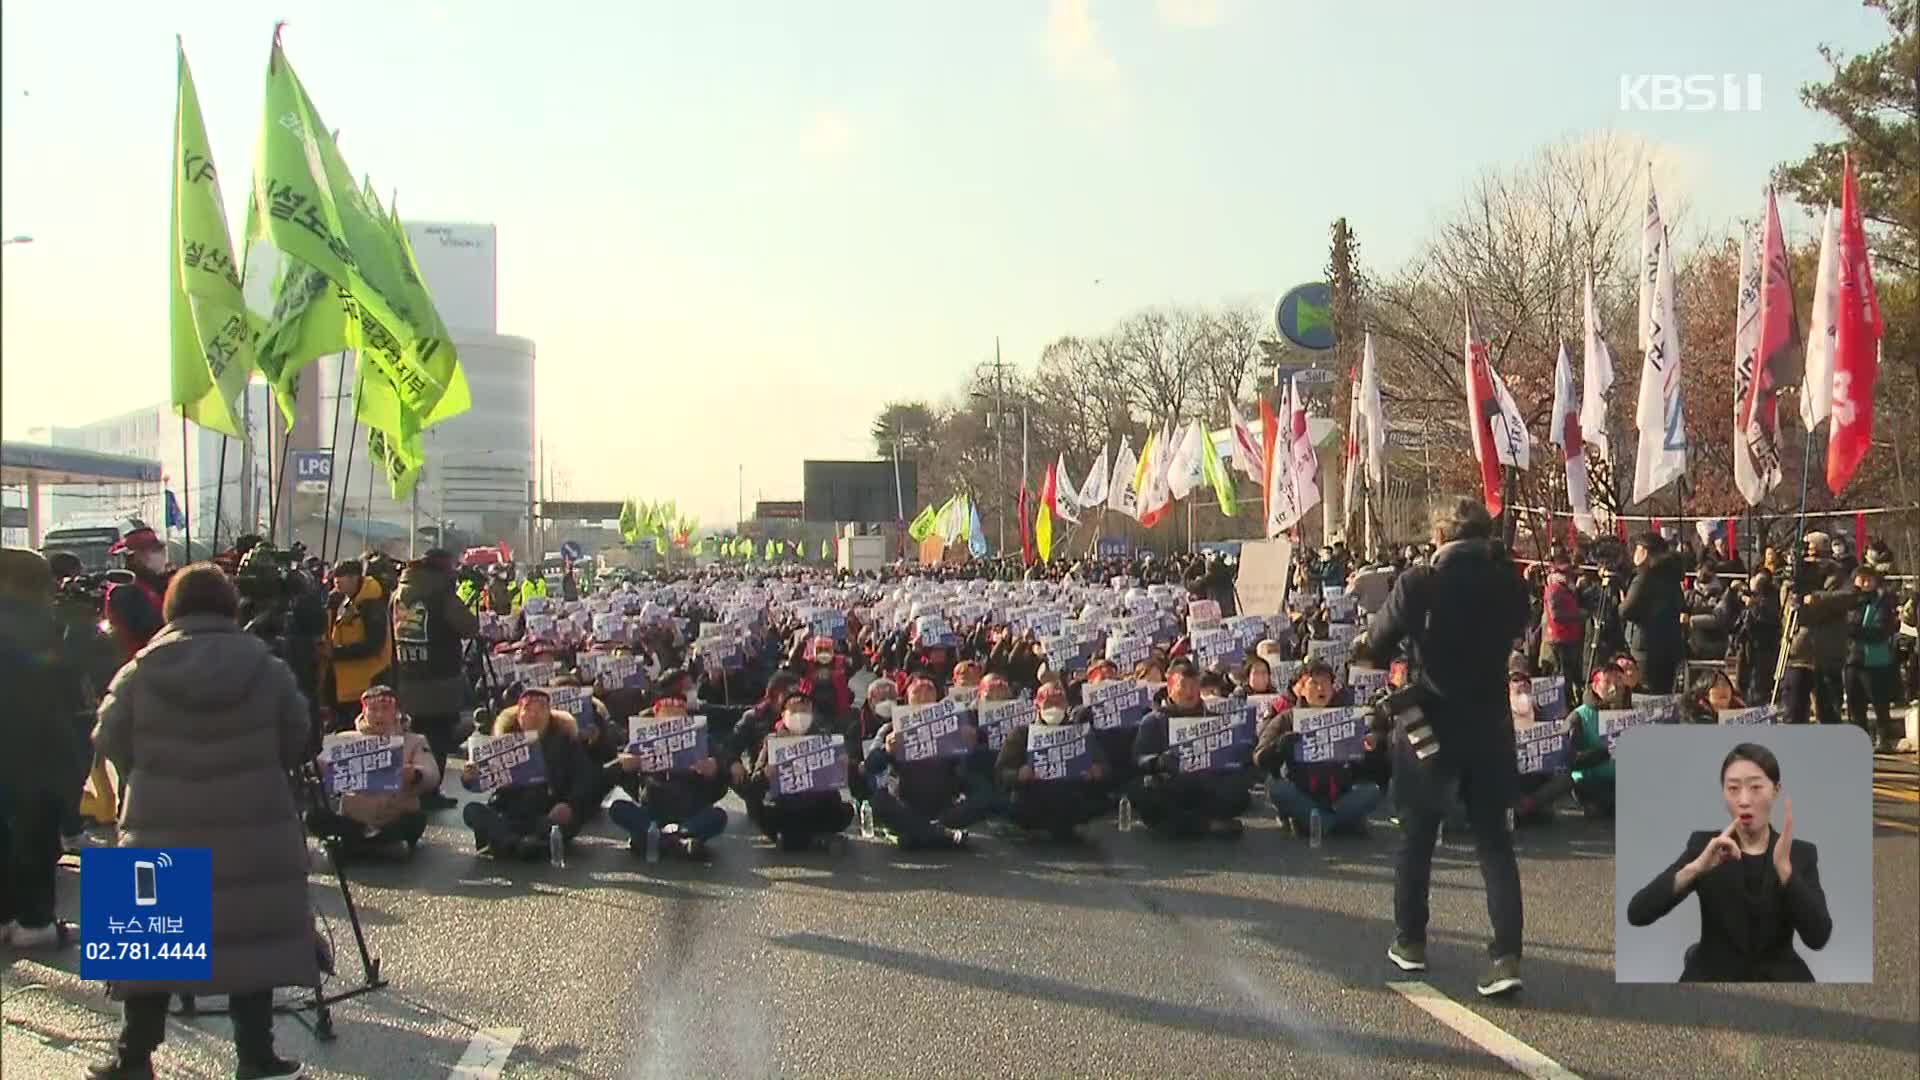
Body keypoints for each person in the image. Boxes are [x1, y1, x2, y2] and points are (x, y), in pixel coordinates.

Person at [88, 564, 314, 1080]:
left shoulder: (142, 668)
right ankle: (257, 1056)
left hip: (159, 820)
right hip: (254, 823)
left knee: (148, 944)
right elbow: (297, 735)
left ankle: (134, 1056)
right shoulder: (265, 665)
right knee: (250, 940)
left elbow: (107, 737)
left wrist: (146, 773)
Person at [1366, 496, 1531, 997]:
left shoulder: (1421, 582)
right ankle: (1506, 957)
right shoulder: (1509, 581)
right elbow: (1519, 627)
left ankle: (1410, 941)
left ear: (1439, 536)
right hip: (1490, 723)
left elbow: (1377, 641)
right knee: (1495, 845)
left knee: (1416, 838)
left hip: (1430, 724)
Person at [1626, 743, 1831, 981]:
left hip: (1781, 979)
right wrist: (1695, 869)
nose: (1744, 800)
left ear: (1775, 790)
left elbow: (1818, 937)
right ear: (1723, 793)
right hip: (1711, 978)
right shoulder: (1705, 846)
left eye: (1756, 787)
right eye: (1733, 789)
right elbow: (1637, 913)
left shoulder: (1800, 854)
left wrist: (1786, 873)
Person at [0, 548, 85, 950]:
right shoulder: (42, 626)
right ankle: (34, 922)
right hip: (34, 752)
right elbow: (67, 694)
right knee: (34, 836)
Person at [459, 687, 597, 860]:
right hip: (509, 813)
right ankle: (516, 843)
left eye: (541, 709)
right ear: (518, 714)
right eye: (528, 709)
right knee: (472, 811)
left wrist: (570, 804)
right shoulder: (503, 741)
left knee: (562, 822)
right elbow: (478, 782)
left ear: (550, 715)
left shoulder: (566, 742)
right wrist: (468, 776)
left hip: (548, 811)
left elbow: (586, 778)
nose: (534, 714)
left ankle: (515, 844)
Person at [1254, 660, 1386, 837]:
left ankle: (1317, 822)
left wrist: (1372, 745)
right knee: (1275, 787)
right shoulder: (1286, 719)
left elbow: (1373, 765)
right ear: (1301, 688)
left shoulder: (1348, 717)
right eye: (1314, 683)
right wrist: (1281, 745)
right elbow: (1259, 757)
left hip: (1339, 795)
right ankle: (1336, 823)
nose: (1320, 688)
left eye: (1326, 683)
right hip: (1301, 793)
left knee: (1372, 791)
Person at [305, 685, 438, 858]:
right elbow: (319, 767)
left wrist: (416, 774)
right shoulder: (345, 739)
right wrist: (316, 769)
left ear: (396, 712)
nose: (379, 715)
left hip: (394, 815)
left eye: (385, 709)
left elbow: (431, 773)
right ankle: (368, 842)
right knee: (313, 817)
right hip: (354, 818)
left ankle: (361, 844)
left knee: (415, 820)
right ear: (364, 712)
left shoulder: (414, 741)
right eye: (373, 709)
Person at [392, 549, 479, 810]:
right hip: (438, 678)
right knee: (437, 737)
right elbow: (469, 627)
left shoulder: (399, 592)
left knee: (411, 736)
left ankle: (410, 788)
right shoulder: (440, 593)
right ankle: (430, 791)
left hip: (406, 674)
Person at [1129, 666, 1257, 838]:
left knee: (1239, 791)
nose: (1190, 692)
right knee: (1143, 791)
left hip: (1207, 785)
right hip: (1171, 785)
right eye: (1184, 686)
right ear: (1170, 688)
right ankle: (1208, 826)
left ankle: (1188, 825)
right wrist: (1158, 761)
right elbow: (1139, 757)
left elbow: (1233, 759)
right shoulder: (1153, 720)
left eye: (1194, 686)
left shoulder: (1214, 719)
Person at [863, 678, 985, 849]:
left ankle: (921, 833)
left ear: (937, 698)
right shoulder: (891, 728)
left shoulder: (953, 726)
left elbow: (970, 768)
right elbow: (870, 766)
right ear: (907, 699)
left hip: (944, 804)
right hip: (906, 802)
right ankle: (939, 833)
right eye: (917, 692)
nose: (924, 696)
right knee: (879, 801)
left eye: (929, 691)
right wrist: (887, 751)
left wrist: (971, 745)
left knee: (983, 795)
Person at [604, 695, 729, 860]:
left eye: (678, 717)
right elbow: (607, 773)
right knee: (617, 808)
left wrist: (714, 771)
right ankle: (675, 842)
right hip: (651, 811)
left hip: (691, 812)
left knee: (718, 816)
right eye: (667, 718)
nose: (673, 722)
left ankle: (662, 838)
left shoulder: (703, 741)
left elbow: (723, 778)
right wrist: (622, 765)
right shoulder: (643, 740)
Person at [996, 682, 1109, 841]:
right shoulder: (1021, 733)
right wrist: (1018, 775)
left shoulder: (1081, 732)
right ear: (1038, 705)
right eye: (1049, 702)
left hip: (1070, 795)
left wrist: (1098, 771)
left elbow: (1104, 766)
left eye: (1059, 702)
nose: (1054, 707)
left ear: (1067, 705)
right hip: (1032, 796)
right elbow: (1001, 772)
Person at [748, 689, 855, 851]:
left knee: (846, 811)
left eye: (804, 711)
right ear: (783, 715)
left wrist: (845, 765)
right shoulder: (772, 742)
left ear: (812, 714)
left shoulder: (824, 740)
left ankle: (802, 839)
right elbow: (753, 785)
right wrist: (765, 774)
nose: (799, 715)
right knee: (759, 811)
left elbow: (843, 781)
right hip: (784, 809)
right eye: (794, 711)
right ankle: (814, 839)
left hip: (817, 807)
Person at [324, 559, 392, 732]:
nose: (337, 580)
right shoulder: (344, 602)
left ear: (355, 578)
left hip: (367, 681)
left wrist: (336, 653)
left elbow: (373, 645)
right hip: (348, 682)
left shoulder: (371, 604)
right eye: (335, 576)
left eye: (342, 576)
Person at [1779, 571, 1853, 726]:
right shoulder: (1792, 586)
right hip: (1798, 656)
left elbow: (1848, 598)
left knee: (1828, 713)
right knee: (1794, 711)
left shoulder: (1839, 578)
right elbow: (1792, 616)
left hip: (1827, 657)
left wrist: (1816, 599)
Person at [1843, 562, 1901, 752]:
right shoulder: (1850, 601)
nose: (1865, 584)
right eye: (1861, 580)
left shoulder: (1882, 602)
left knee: (1878, 701)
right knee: (1854, 702)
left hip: (1874, 659)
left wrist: (1854, 631)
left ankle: (1884, 739)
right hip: (1852, 658)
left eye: (1869, 580)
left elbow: (1881, 630)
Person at [1620, 532, 1685, 694]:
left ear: (1646, 552)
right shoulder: (1672, 576)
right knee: (1664, 694)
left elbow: (1626, 610)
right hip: (1670, 645)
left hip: (1645, 646)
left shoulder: (1644, 577)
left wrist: (1622, 600)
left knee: (1646, 695)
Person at [1541, 554, 1585, 699]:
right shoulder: (1555, 589)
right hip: (1559, 638)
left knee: (1572, 673)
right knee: (1563, 675)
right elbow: (1556, 615)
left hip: (1571, 637)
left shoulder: (1567, 589)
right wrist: (1578, 615)